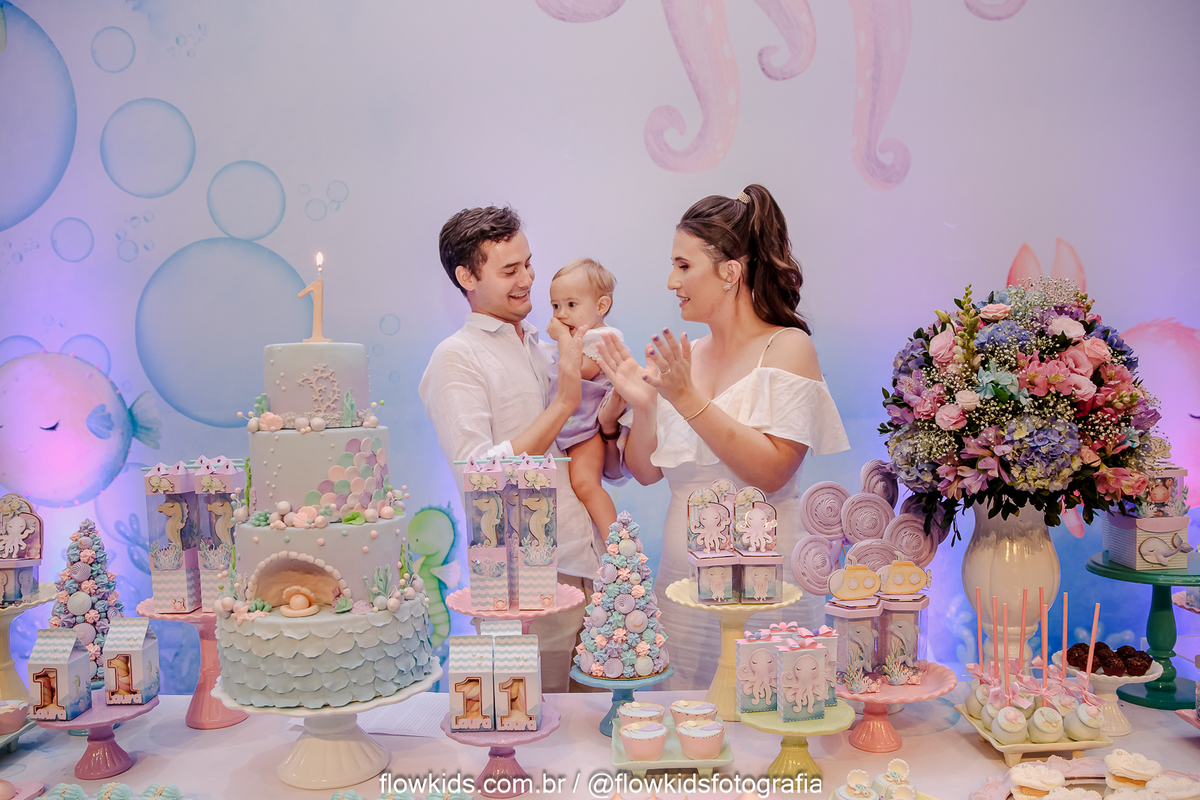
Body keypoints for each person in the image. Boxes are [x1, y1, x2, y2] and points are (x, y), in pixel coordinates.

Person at [594, 184, 850, 689]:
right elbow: (645, 472)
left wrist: (687, 398)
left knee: (766, 707)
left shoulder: (788, 348)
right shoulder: (687, 354)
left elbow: (773, 471)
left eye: (684, 265)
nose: (672, 281)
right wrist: (643, 406)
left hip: (764, 588)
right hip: (681, 584)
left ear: (730, 272)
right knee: (687, 716)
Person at [418, 206, 622, 692]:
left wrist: (616, 421)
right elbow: (478, 476)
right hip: (522, 582)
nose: (528, 279)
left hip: (592, 563)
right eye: (510, 270)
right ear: (467, 277)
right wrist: (566, 402)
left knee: (595, 719)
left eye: (528, 264)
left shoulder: (544, 344)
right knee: (531, 718)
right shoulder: (456, 357)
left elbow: (593, 452)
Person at [546, 258, 624, 540]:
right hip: (575, 426)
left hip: (589, 429)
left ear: (601, 307)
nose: (562, 314)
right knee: (574, 485)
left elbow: (580, 370)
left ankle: (620, 545)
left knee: (585, 484)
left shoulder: (602, 336)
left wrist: (562, 339)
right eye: (556, 306)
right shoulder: (580, 337)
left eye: (571, 305)